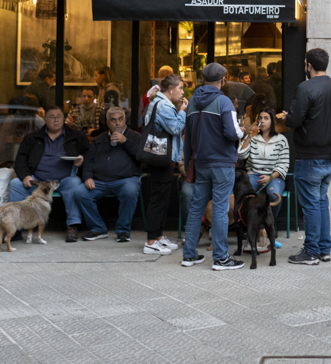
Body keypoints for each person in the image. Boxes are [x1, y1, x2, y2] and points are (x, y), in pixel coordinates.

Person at [280, 48, 331, 265]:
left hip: (309, 156)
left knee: (311, 205)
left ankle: (311, 252)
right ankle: (323, 249)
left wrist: (286, 117)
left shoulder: (305, 88)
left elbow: (295, 120)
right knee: (320, 202)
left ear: (308, 64)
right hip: (329, 155)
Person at [181, 62, 247, 270]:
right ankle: (220, 258)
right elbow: (231, 133)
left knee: (196, 208)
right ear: (223, 79)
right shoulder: (223, 101)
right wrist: (243, 132)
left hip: (200, 163)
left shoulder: (192, 102)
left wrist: (188, 162)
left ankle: (189, 254)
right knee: (219, 208)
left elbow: (188, 137)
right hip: (221, 163)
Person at [11, 104, 89, 242]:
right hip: (38, 180)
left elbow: (90, 155)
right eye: (52, 117)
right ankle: (13, 228)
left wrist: (82, 159)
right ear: (45, 119)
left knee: (75, 183)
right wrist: (25, 176)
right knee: (15, 184)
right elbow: (20, 160)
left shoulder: (76, 136)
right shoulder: (32, 138)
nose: (56, 120)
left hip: (63, 180)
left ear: (63, 118)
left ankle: (72, 225)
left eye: (59, 116)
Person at [74, 107, 143, 243]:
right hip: (100, 181)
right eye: (113, 120)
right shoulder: (99, 139)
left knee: (130, 191)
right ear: (107, 123)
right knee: (80, 192)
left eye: (120, 119)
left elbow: (142, 156)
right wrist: (87, 177)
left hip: (125, 180)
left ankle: (123, 230)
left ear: (125, 121)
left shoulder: (135, 137)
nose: (117, 123)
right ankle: (97, 228)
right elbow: (89, 160)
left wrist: (125, 141)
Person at [141, 74, 188, 256]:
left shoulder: (161, 103)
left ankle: (158, 237)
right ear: (171, 89)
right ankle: (151, 241)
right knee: (158, 199)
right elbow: (176, 128)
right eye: (180, 88)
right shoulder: (162, 105)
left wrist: (178, 109)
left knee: (161, 197)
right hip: (161, 157)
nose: (182, 92)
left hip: (160, 156)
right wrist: (182, 110)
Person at [239, 108, 290, 220]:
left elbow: (284, 163)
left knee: (274, 195)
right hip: (253, 174)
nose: (262, 121)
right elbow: (241, 155)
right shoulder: (253, 138)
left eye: (266, 118)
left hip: (274, 176)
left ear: (272, 121)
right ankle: (249, 224)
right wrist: (249, 136)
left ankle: (270, 223)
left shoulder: (281, 139)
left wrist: (271, 177)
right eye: (260, 118)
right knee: (244, 194)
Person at [92, 67, 122, 135]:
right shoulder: (102, 89)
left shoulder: (111, 89)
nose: (94, 78)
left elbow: (111, 108)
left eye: (96, 75)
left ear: (103, 76)